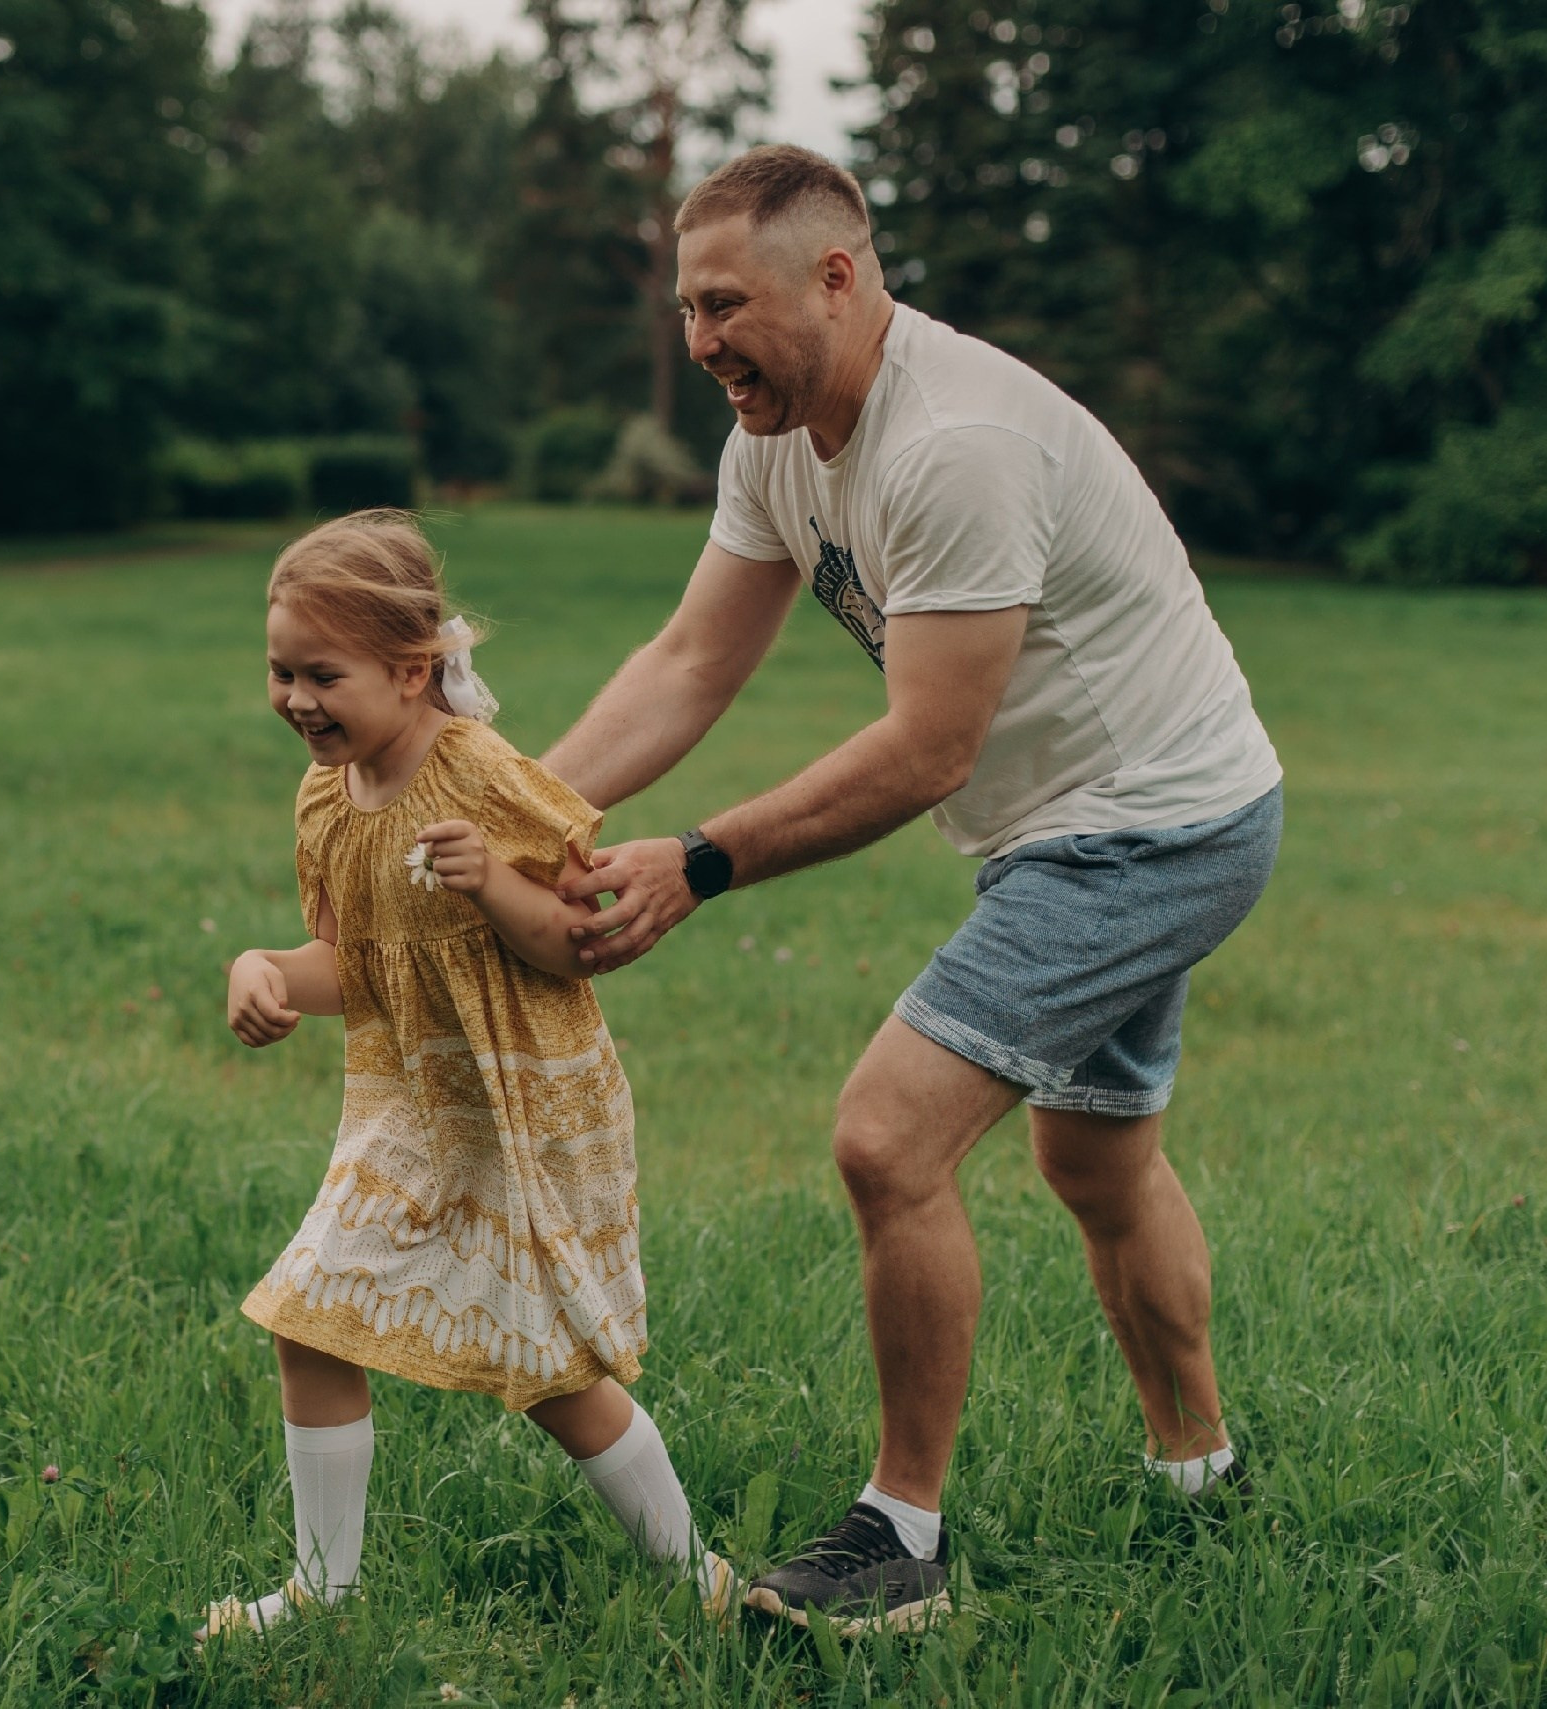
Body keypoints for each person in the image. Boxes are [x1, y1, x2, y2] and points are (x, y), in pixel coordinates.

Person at [540, 146, 1286, 1635]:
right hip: (1096, 820)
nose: (701, 345)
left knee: (889, 1137)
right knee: (1097, 1165)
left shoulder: (952, 440)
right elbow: (694, 660)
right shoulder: (779, 434)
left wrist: (695, 861)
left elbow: (928, 748)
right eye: (687, 311)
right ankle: (1207, 1479)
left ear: (840, 274)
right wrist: (523, 814)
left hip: (1150, 826)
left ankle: (902, 1541)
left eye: (725, 306)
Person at [203, 511, 736, 1641]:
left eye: (322, 674)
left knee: (548, 1372)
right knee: (308, 1318)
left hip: (519, 1105)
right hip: (408, 1104)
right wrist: (264, 971)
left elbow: (570, 944)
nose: (296, 697)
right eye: (279, 669)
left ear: (411, 670)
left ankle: (699, 1579)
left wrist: (492, 880)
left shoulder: (482, 778)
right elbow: (358, 967)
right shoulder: (324, 798)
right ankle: (321, 1590)